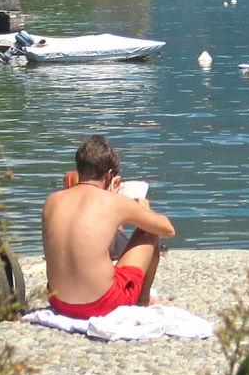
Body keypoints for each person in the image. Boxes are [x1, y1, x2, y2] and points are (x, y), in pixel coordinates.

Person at [42, 134, 177, 319]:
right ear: (109, 174)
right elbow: (168, 229)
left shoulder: (52, 200)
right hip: (101, 303)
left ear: (78, 169)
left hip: (59, 301)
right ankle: (142, 300)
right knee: (149, 232)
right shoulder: (114, 202)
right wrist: (144, 209)